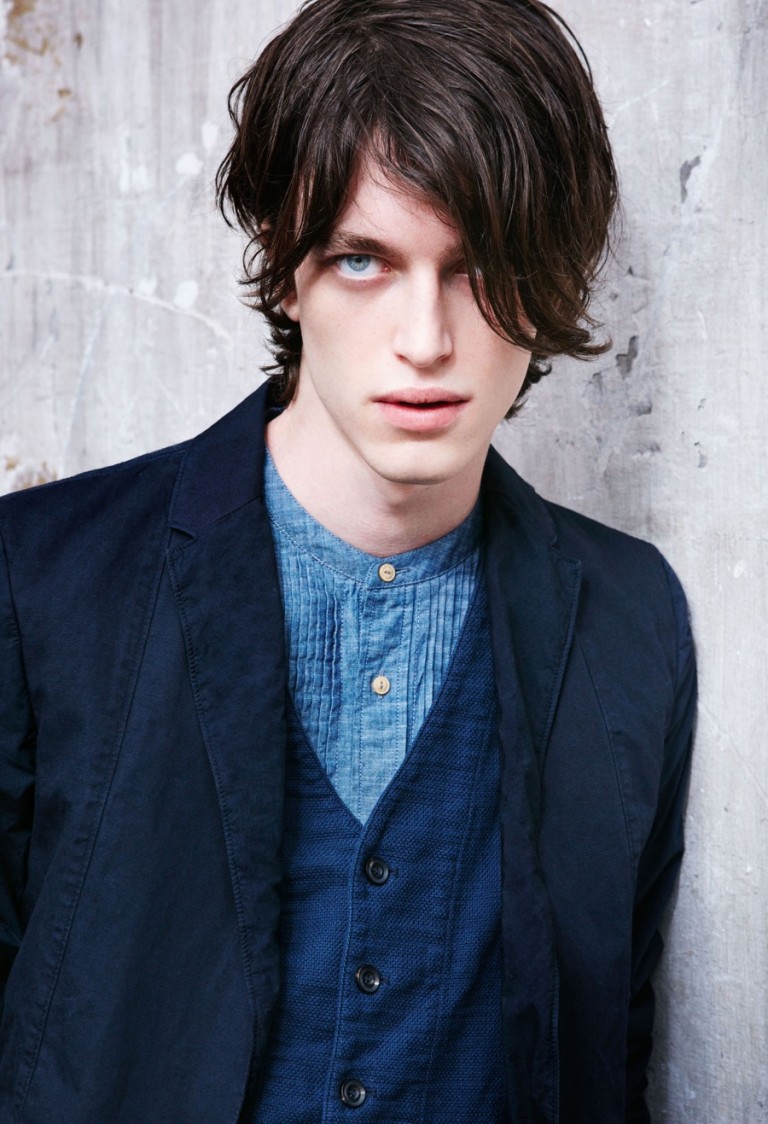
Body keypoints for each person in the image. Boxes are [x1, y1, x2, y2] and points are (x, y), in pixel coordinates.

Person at [0, 1, 695, 1121]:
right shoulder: (41, 576)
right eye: (364, 259)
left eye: (479, 267)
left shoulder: (631, 616)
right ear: (288, 271)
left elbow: (610, 1051)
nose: (426, 339)